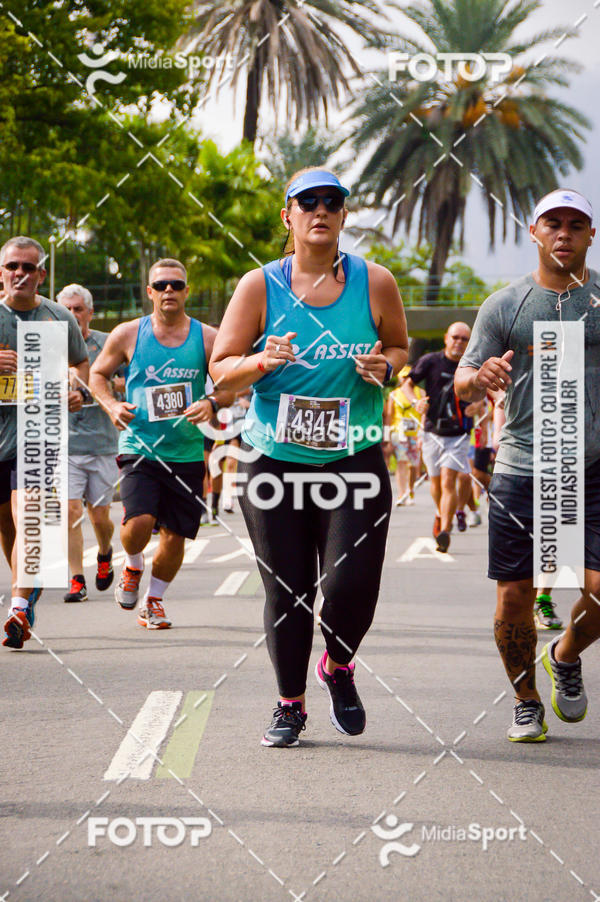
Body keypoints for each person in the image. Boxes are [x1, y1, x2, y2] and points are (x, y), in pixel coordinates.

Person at [209, 167, 408, 747]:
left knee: (350, 584)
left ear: (344, 215)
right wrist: (259, 363)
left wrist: (387, 368)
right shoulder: (258, 286)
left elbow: (398, 345)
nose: (320, 210)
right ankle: (289, 704)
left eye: (332, 202)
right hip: (275, 459)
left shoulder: (377, 282)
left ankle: (338, 666)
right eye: (308, 202)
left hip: (354, 459)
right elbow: (220, 372)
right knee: (288, 588)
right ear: (288, 216)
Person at [455, 188, 599, 741]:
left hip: (591, 468)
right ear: (535, 233)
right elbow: (465, 379)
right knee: (514, 595)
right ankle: (525, 699)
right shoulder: (505, 304)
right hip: (522, 467)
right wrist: (481, 374)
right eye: (552, 223)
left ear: (590, 235)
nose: (564, 233)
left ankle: (563, 655)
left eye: (576, 224)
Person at [90, 258, 232, 629]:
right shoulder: (128, 334)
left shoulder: (208, 337)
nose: (170, 290)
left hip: (186, 451)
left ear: (187, 292)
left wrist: (212, 402)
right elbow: (98, 374)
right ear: (150, 292)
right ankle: (133, 564)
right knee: (139, 524)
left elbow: (235, 382)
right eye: (162, 285)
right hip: (140, 445)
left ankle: (153, 601)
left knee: (175, 535)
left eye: (177, 285)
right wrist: (110, 404)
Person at [1, 237, 89, 649]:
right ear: (2, 272)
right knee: (8, 524)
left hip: (36, 432)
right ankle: (28, 588)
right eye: (12, 266)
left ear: (41, 273)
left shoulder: (57, 318)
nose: (19, 273)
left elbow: (81, 364)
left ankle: (17, 604)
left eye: (28, 267)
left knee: (28, 512)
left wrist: (78, 392)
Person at [57, 284, 120, 603]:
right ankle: (76, 579)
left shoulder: (107, 344)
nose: (71, 315)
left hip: (102, 444)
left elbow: (126, 385)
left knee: (99, 517)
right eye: (65, 309)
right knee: (70, 512)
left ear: (89, 313)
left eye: (77, 309)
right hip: (65, 446)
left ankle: (106, 551)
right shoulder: (47, 348)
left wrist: (113, 388)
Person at [401, 324, 474, 552]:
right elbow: (407, 385)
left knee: (448, 479)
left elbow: (488, 392)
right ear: (446, 338)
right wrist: (416, 402)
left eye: (464, 339)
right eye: (455, 337)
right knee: (436, 483)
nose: (459, 343)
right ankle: (440, 512)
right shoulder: (430, 361)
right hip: (432, 431)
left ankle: (445, 528)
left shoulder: (471, 365)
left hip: (459, 433)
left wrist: (479, 405)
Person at [384, 365, 422, 506]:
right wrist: (387, 438)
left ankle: (410, 490)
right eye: (403, 376)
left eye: (408, 377)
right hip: (398, 432)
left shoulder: (420, 392)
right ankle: (402, 493)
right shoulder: (394, 394)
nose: (405, 379)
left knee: (413, 465)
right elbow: (388, 416)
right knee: (401, 461)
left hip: (415, 433)